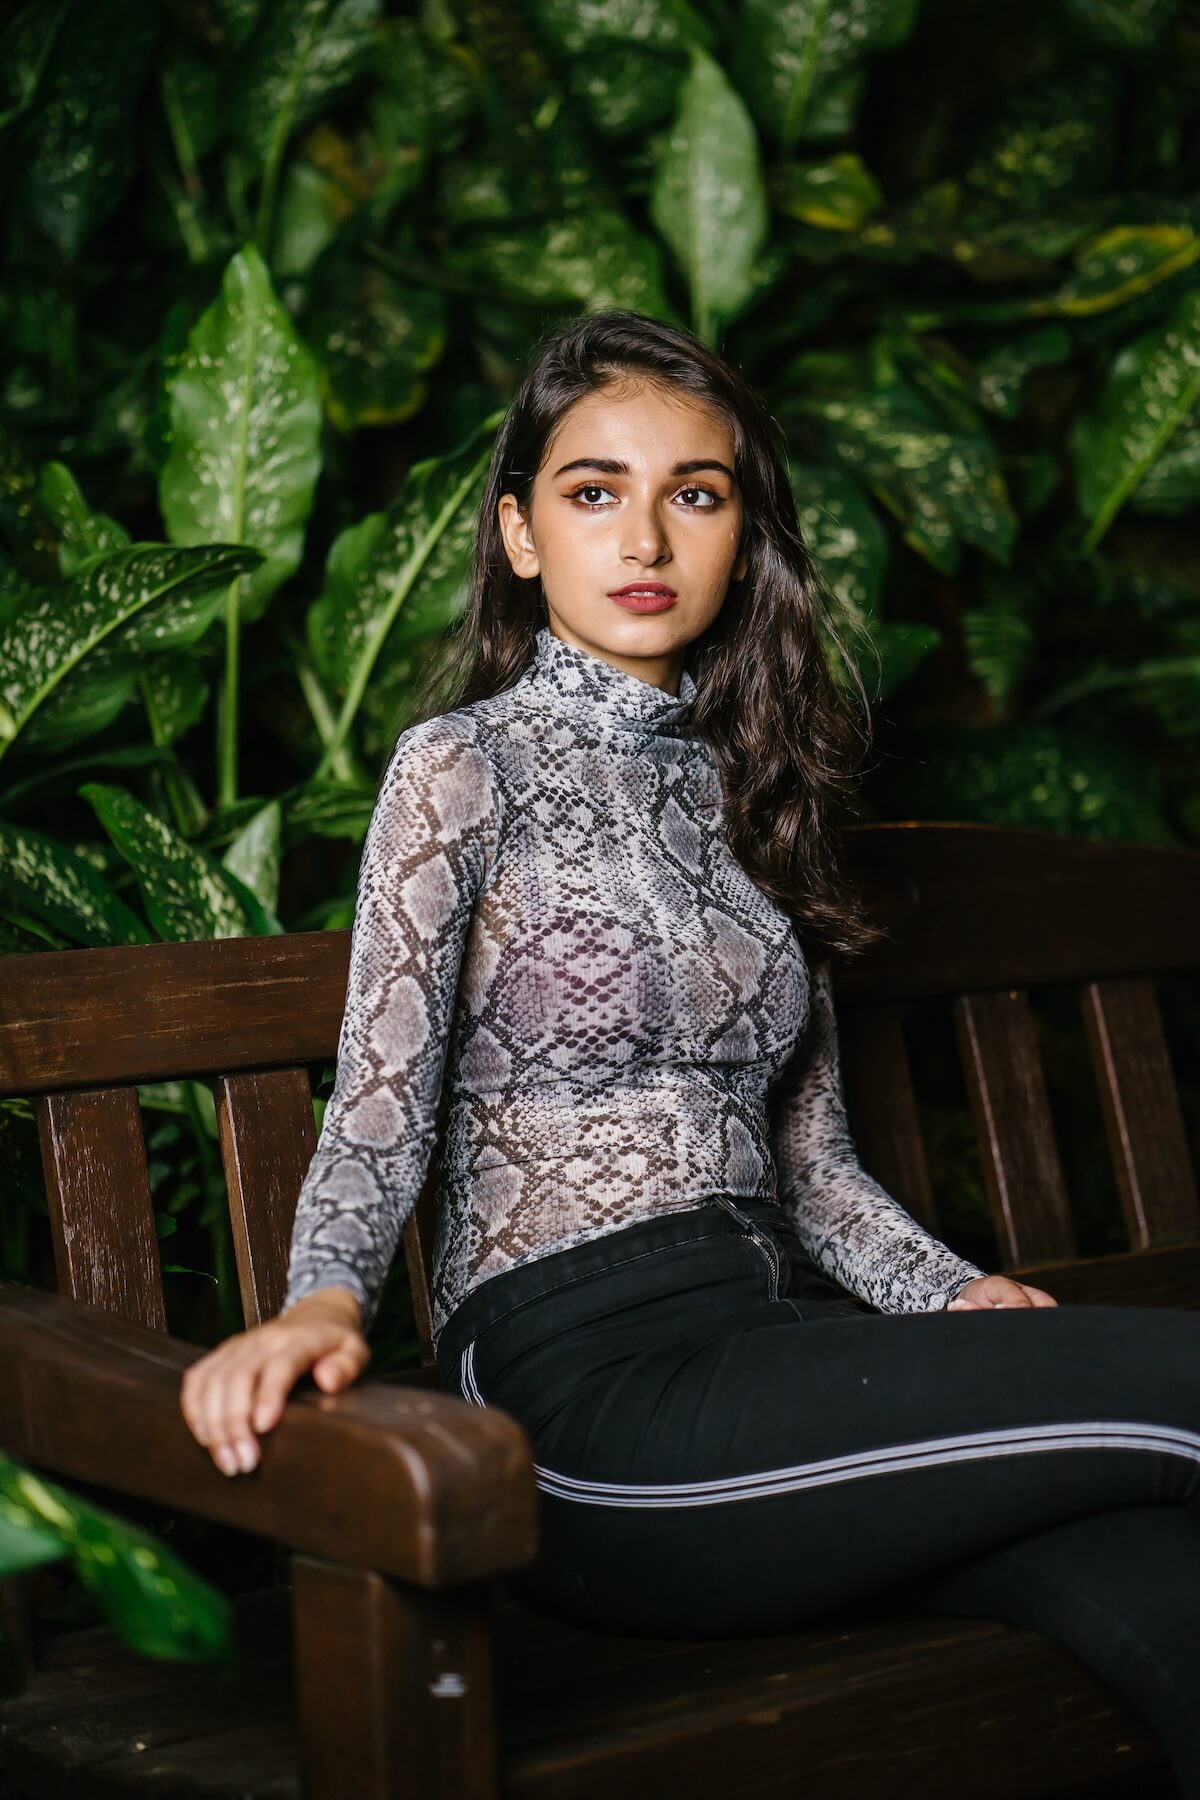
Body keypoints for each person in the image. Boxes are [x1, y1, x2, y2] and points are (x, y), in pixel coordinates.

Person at [181, 309, 1200, 1795]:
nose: (645, 533)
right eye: (593, 490)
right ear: (521, 535)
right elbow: (379, 1105)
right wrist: (319, 1301)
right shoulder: (464, 767)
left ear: (743, 540)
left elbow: (814, 1168)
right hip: (586, 1411)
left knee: (1163, 1583)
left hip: (774, 1351)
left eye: (697, 493)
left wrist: (959, 1294)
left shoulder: (755, 796)